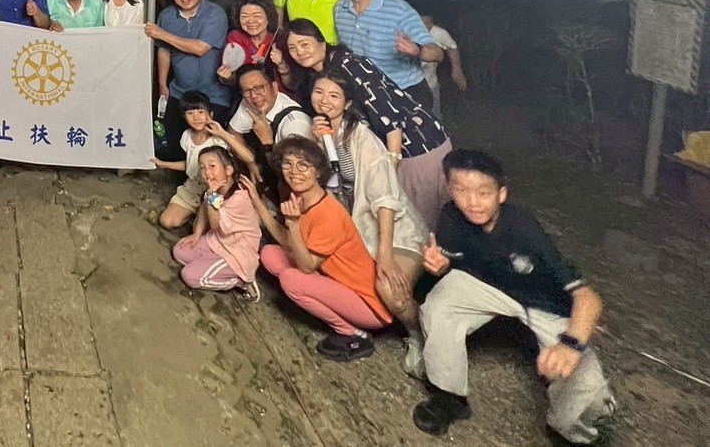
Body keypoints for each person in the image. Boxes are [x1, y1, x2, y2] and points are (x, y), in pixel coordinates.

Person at [412, 150, 615, 442]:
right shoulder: (451, 217)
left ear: (501, 194)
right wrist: (440, 267)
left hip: (543, 303)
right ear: (450, 189)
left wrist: (570, 345)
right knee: (439, 306)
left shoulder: (523, 228)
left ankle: (570, 432)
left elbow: (588, 297)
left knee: (589, 394)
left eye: (483, 192)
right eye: (461, 190)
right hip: (488, 286)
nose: (472, 202)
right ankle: (450, 396)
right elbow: (450, 264)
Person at [275, 18, 454, 227]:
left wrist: (389, 170)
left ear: (322, 43)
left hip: (416, 145)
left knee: (423, 222)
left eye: (304, 44)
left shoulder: (349, 64)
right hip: (388, 151)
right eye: (292, 48)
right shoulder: (318, 76)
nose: (299, 52)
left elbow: (390, 117)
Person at [311, 71, 428, 371]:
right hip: (354, 230)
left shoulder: (364, 139)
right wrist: (319, 144)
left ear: (348, 103)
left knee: (389, 288)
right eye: (319, 92)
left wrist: (385, 254)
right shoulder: (318, 134)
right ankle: (359, 327)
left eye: (334, 95)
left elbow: (384, 201)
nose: (324, 101)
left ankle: (418, 334)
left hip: (393, 230)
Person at [251, 136, 393, 362]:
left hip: (368, 305)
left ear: (317, 172)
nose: (294, 172)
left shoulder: (329, 214)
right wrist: (257, 203)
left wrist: (294, 225)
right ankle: (312, 298)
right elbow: (288, 242)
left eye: (303, 165)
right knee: (269, 254)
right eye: (287, 164)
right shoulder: (301, 196)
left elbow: (306, 267)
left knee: (291, 280)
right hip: (334, 281)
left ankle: (353, 333)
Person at [333, 0, 440, 101]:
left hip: (403, 93)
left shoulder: (399, 10)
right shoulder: (340, 8)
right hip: (364, 93)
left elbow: (437, 53)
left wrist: (417, 50)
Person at [147, 0, 229, 159]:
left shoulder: (215, 14)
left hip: (212, 93)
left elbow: (200, 48)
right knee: (175, 145)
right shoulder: (167, 16)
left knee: (210, 148)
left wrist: (162, 33)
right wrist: (162, 84)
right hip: (180, 91)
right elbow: (164, 50)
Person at [151, 92, 256, 230]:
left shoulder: (220, 139)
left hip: (219, 190)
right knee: (167, 221)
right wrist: (164, 164)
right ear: (184, 116)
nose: (196, 118)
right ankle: (194, 215)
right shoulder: (186, 136)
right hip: (195, 187)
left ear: (210, 114)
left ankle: (199, 220)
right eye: (190, 113)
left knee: (212, 228)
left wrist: (223, 134)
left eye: (201, 112)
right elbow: (190, 165)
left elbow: (249, 158)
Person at [172, 147, 262, 298]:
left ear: (228, 170)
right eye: (202, 167)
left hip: (236, 254)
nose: (207, 172)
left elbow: (214, 224)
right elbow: (204, 210)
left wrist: (212, 195)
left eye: (212, 166)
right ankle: (210, 267)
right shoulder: (215, 189)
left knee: (189, 276)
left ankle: (241, 281)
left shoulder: (239, 198)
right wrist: (196, 234)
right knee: (179, 251)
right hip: (217, 240)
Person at [228, 64, 312, 179]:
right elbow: (233, 132)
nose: (254, 96)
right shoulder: (249, 102)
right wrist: (251, 162)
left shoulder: (295, 123)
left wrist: (267, 142)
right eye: (247, 90)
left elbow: (292, 175)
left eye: (259, 88)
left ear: (274, 87)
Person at [219, 0, 277, 81]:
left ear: (268, 18)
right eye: (244, 16)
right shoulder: (235, 37)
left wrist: (281, 65)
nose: (250, 21)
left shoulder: (277, 40)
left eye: (257, 16)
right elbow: (233, 76)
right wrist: (227, 78)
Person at [419, 15, 466, 116]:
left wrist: (456, 69)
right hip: (405, 85)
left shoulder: (438, 33)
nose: (425, 27)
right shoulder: (401, 33)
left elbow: (452, 47)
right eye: (421, 23)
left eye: (428, 23)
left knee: (434, 116)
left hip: (431, 84)